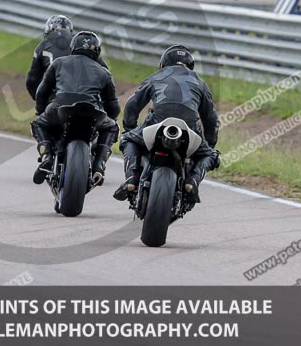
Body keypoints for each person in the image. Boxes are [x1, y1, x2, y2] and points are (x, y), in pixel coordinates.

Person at [113, 45, 220, 204]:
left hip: (157, 121)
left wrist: (130, 128)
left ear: (163, 64)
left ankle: (132, 177)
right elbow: (211, 119)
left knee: (128, 139)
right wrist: (209, 145)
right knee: (211, 155)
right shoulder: (200, 82)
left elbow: (132, 105)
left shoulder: (156, 76)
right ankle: (192, 180)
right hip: (190, 127)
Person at [30, 31, 120, 186]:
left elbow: (41, 92)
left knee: (39, 122)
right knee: (112, 127)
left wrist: (41, 111)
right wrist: (111, 118)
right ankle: (99, 165)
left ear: (73, 47)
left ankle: (47, 156)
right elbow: (113, 105)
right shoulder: (104, 72)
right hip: (92, 112)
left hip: (60, 109)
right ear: (97, 51)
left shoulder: (58, 63)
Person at [26, 14, 108, 99]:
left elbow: (32, 80)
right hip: (85, 96)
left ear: (49, 30)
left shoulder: (42, 46)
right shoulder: (81, 42)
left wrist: (39, 101)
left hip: (56, 98)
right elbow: (105, 70)